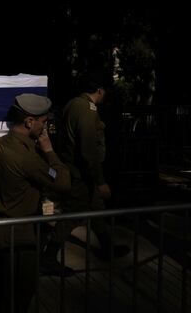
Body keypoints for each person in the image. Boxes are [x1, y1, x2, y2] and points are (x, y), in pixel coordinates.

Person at [0, 93, 71, 313]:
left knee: (5, 292)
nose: (45, 127)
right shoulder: (27, 157)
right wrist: (50, 152)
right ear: (29, 121)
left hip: (1, 230)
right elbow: (62, 181)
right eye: (43, 122)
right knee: (20, 295)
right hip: (21, 235)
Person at [51, 71, 130, 260]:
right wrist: (100, 180)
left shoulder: (73, 104)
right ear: (100, 91)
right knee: (72, 216)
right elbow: (88, 149)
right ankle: (47, 256)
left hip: (79, 172)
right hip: (81, 175)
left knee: (96, 211)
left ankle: (108, 249)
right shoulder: (86, 109)